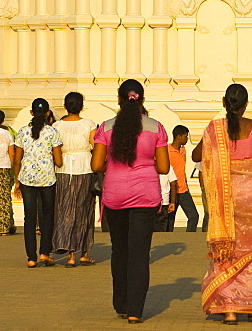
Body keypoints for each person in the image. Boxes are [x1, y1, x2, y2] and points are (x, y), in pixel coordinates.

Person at [192, 83, 252, 325]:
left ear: (224, 103)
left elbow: (196, 156)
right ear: (246, 105)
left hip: (225, 199)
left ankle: (229, 308)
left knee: (226, 251)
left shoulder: (215, 129)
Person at [91, 79, 170, 324]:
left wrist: (113, 165)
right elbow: (165, 167)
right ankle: (135, 310)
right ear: (142, 101)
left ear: (119, 100)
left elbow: (95, 165)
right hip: (145, 197)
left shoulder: (105, 127)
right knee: (139, 253)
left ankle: (122, 303)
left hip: (115, 197)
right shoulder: (156, 127)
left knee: (120, 250)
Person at [14, 97, 63, 267]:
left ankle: (31, 258)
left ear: (31, 113)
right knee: (47, 217)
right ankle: (44, 253)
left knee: (29, 218)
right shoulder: (52, 132)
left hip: (27, 178)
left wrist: (17, 181)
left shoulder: (22, 132)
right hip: (47, 179)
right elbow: (58, 161)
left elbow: (17, 159)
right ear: (48, 113)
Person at [52, 91, 97, 266]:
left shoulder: (57, 126)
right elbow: (95, 146)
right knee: (84, 210)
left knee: (65, 210)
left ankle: (70, 254)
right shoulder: (89, 124)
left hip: (62, 169)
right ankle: (84, 252)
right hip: (84, 168)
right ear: (81, 106)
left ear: (65, 106)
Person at [167, 124, 199, 232]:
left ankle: (189, 237)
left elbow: (181, 170)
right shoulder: (167, 151)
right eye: (185, 136)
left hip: (183, 191)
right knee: (170, 221)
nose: (187, 139)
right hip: (172, 191)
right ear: (178, 137)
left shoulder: (183, 151)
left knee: (194, 216)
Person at [156, 164, 178, 231]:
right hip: (163, 200)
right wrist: (172, 202)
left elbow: (173, 183)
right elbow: (173, 183)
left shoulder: (146, 165)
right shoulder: (167, 166)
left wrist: (172, 202)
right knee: (161, 227)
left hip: (151, 201)